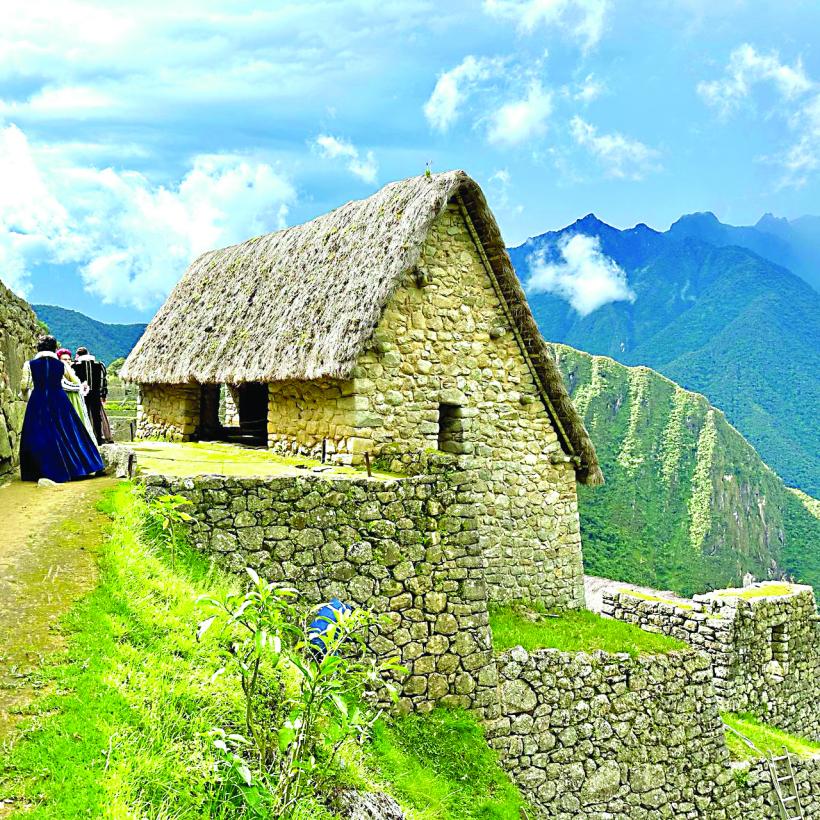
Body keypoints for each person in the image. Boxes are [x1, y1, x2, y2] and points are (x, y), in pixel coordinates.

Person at [19, 335, 104, 483]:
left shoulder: (29, 364)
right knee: (68, 433)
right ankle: (78, 466)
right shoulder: (61, 365)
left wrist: (27, 397)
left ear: (39, 348)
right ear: (54, 348)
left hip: (38, 400)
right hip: (59, 399)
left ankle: (37, 471)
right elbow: (75, 381)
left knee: (37, 434)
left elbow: (24, 385)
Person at [72, 346, 111, 444]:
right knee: (97, 416)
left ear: (78, 355)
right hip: (95, 394)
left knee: (82, 415)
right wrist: (103, 395)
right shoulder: (99, 365)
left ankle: (83, 438)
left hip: (81, 394)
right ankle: (98, 437)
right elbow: (103, 381)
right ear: (88, 353)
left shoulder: (74, 366)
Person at [56, 348, 96, 442]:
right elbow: (63, 384)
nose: (68, 361)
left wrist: (81, 387)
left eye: (69, 359)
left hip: (75, 400)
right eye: (64, 359)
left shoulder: (71, 371)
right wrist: (80, 386)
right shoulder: (59, 370)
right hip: (65, 399)